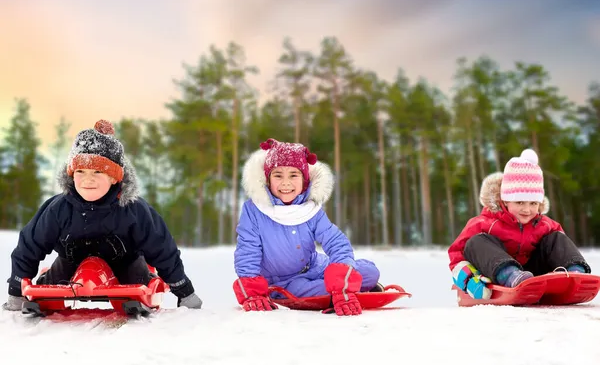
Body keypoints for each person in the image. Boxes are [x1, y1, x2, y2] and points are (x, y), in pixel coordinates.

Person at [3, 120, 202, 311]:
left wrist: (184, 291)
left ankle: (143, 286)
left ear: (114, 177)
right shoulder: (58, 208)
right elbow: (29, 246)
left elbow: (161, 248)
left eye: (97, 171)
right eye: (80, 171)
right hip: (70, 265)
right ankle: (46, 294)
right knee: (48, 292)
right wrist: (17, 290)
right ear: (71, 174)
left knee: (136, 283)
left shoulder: (134, 210)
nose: (87, 179)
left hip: (125, 264)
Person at [232, 138, 381, 316]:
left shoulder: (311, 209)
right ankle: (345, 289)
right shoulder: (254, 210)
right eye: (278, 175)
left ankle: (348, 285)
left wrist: (342, 275)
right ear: (268, 179)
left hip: (317, 267)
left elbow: (335, 241)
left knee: (371, 272)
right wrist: (253, 293)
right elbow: (247, 251)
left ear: (304, 179)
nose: (285, 183)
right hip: (285, 282)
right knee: (321, 291)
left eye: (293, 175)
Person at [448, 148, 590, 299]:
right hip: (496, 273)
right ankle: (509, 275)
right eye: (520, 202)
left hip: (533, 275)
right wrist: (468, 277)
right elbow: (457, 251)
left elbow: (560, 247)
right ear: (505, 200)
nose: (527, 210)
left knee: (556, 237)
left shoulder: (544, 224)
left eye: (533, 203)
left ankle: (575, 274)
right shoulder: (485, 222)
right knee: (476, 241)